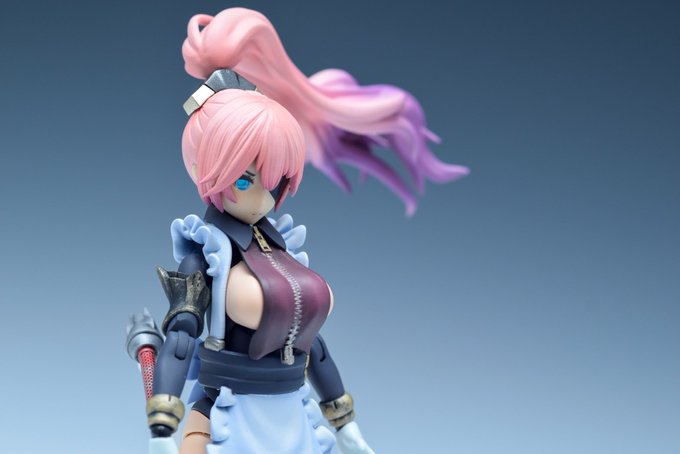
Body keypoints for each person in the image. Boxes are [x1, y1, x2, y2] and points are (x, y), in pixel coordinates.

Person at [143, 7, 468, 454]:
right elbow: (181, 340)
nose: (263, 197)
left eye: (275, 182)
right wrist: (163, 422)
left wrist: (343, 421)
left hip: (291, 410)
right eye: (245, 180)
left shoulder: (280, 248)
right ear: (204, 169)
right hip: (226, 408)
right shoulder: (206, 254)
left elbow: (311, 344)